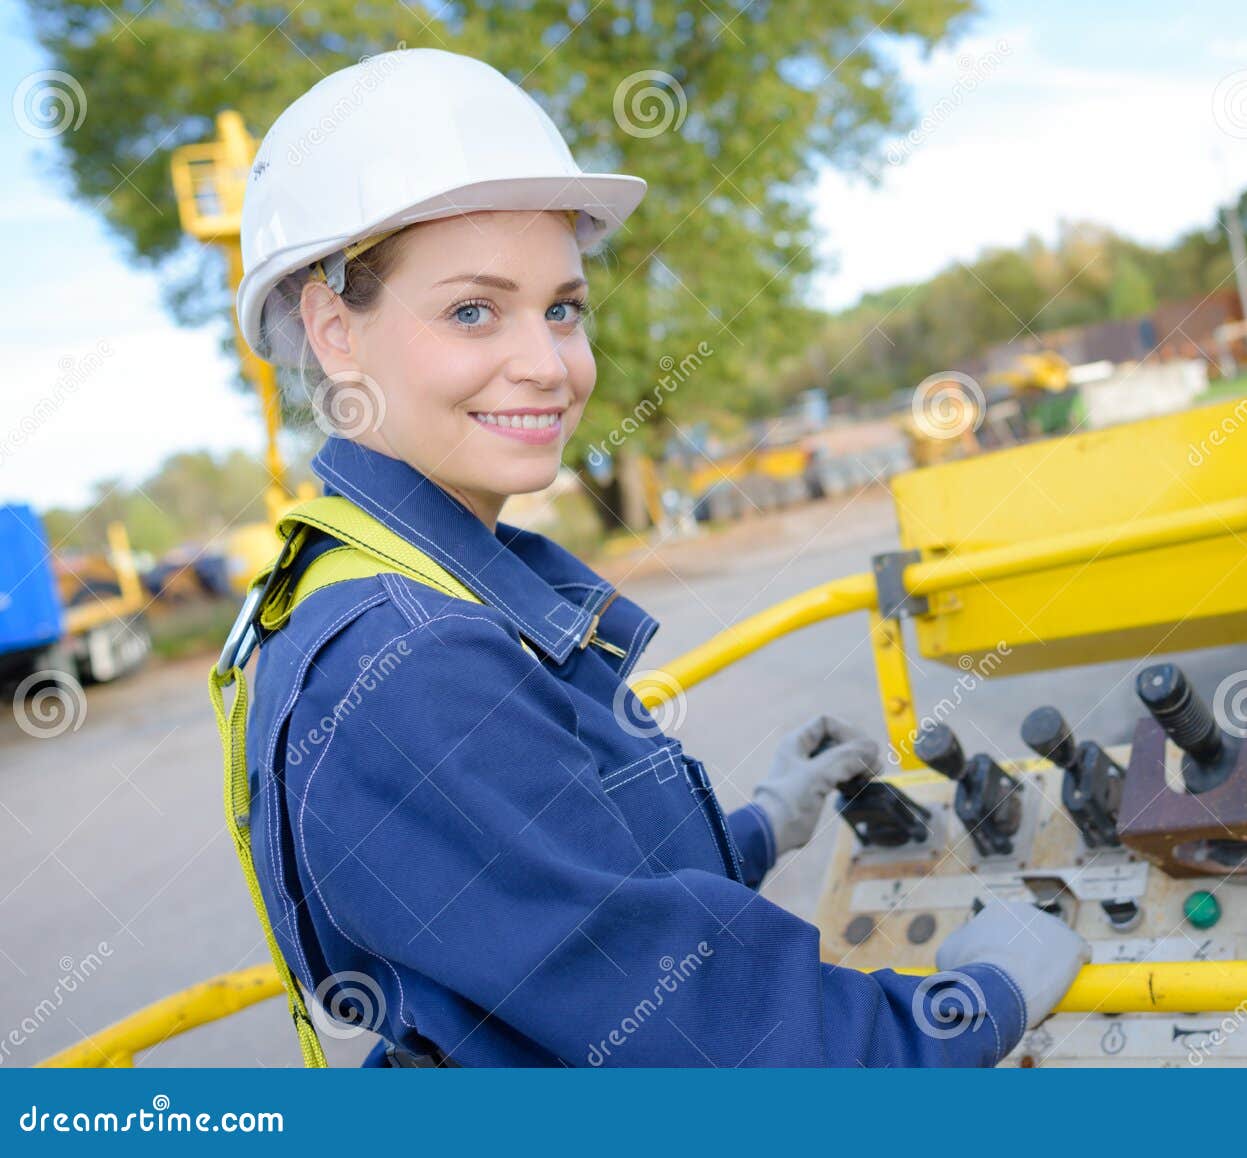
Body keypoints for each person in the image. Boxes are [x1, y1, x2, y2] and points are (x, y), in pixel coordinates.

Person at [231, 46, 1088, 1067]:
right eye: (472, 310)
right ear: (333, 329)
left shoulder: (367, 586)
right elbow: (710, 1048)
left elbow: (552, 916)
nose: (548, 364)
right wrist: (969, 1007)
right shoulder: (414, 660)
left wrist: (763, 824)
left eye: (562, 307)